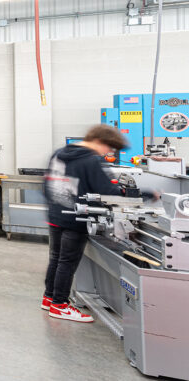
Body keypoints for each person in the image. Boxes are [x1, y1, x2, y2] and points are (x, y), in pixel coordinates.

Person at [41, 124, 153, 322]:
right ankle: (59, 305)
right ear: (101, 142)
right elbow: (109, 193)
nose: (108, 153)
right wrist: (146, 195)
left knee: (56, 258)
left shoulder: (59, 153)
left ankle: (49, 298)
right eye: (109, 148)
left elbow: (47, 183)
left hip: (56, 214)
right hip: (77, 219)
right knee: (67, 262)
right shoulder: (91, 160)